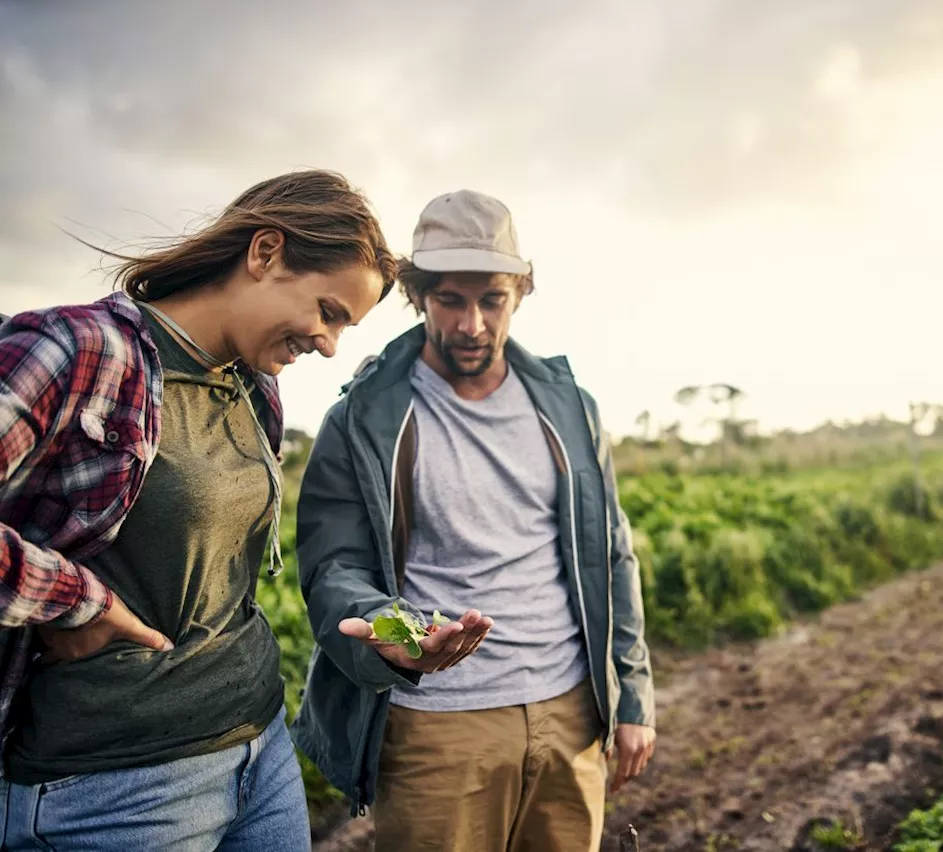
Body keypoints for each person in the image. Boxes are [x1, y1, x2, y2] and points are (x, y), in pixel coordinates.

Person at [0, 169, 397, 851]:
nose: (330, 344)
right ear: (265, 252)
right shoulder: (77, 349)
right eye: (329, 312)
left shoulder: (257, 389)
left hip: (259, 751)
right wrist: (74, 599)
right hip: (109, 789)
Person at [292, 189, 657, 851]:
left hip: (570, 712)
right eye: (450, 300)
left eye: (491, 299)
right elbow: (331, 568)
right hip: (435, 726)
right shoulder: (362, 417)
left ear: (519, 292)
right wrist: (381, 629)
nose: (472, 325)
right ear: (417, 295)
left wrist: (630, 697)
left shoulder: (570, 406)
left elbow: (612, 553)